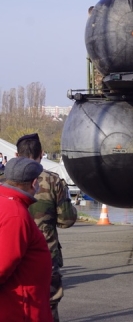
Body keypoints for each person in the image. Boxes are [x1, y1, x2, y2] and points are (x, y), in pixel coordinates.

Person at [17, 133, 78, 322]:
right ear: (41, 154)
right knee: (48, 304)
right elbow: (67, 220)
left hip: (13, 254)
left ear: (17, 155)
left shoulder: (4, 181)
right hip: (46, 254)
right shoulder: (53, 181)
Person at [0, 157, 53, 321]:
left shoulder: (5, 203)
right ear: (34, 182)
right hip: (21, 309)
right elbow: (2, 265)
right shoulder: (16, 214)